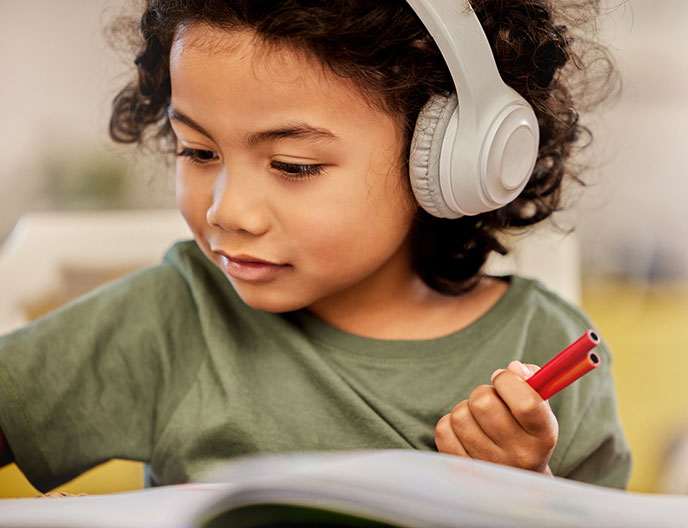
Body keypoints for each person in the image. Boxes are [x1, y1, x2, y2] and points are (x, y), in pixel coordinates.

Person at [0, 0, 631, 492]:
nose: (227, 211)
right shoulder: (177, 316)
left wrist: (530, 495)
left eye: (293, 164)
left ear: (447, 161)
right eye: (198, 151)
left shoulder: (546, 352)